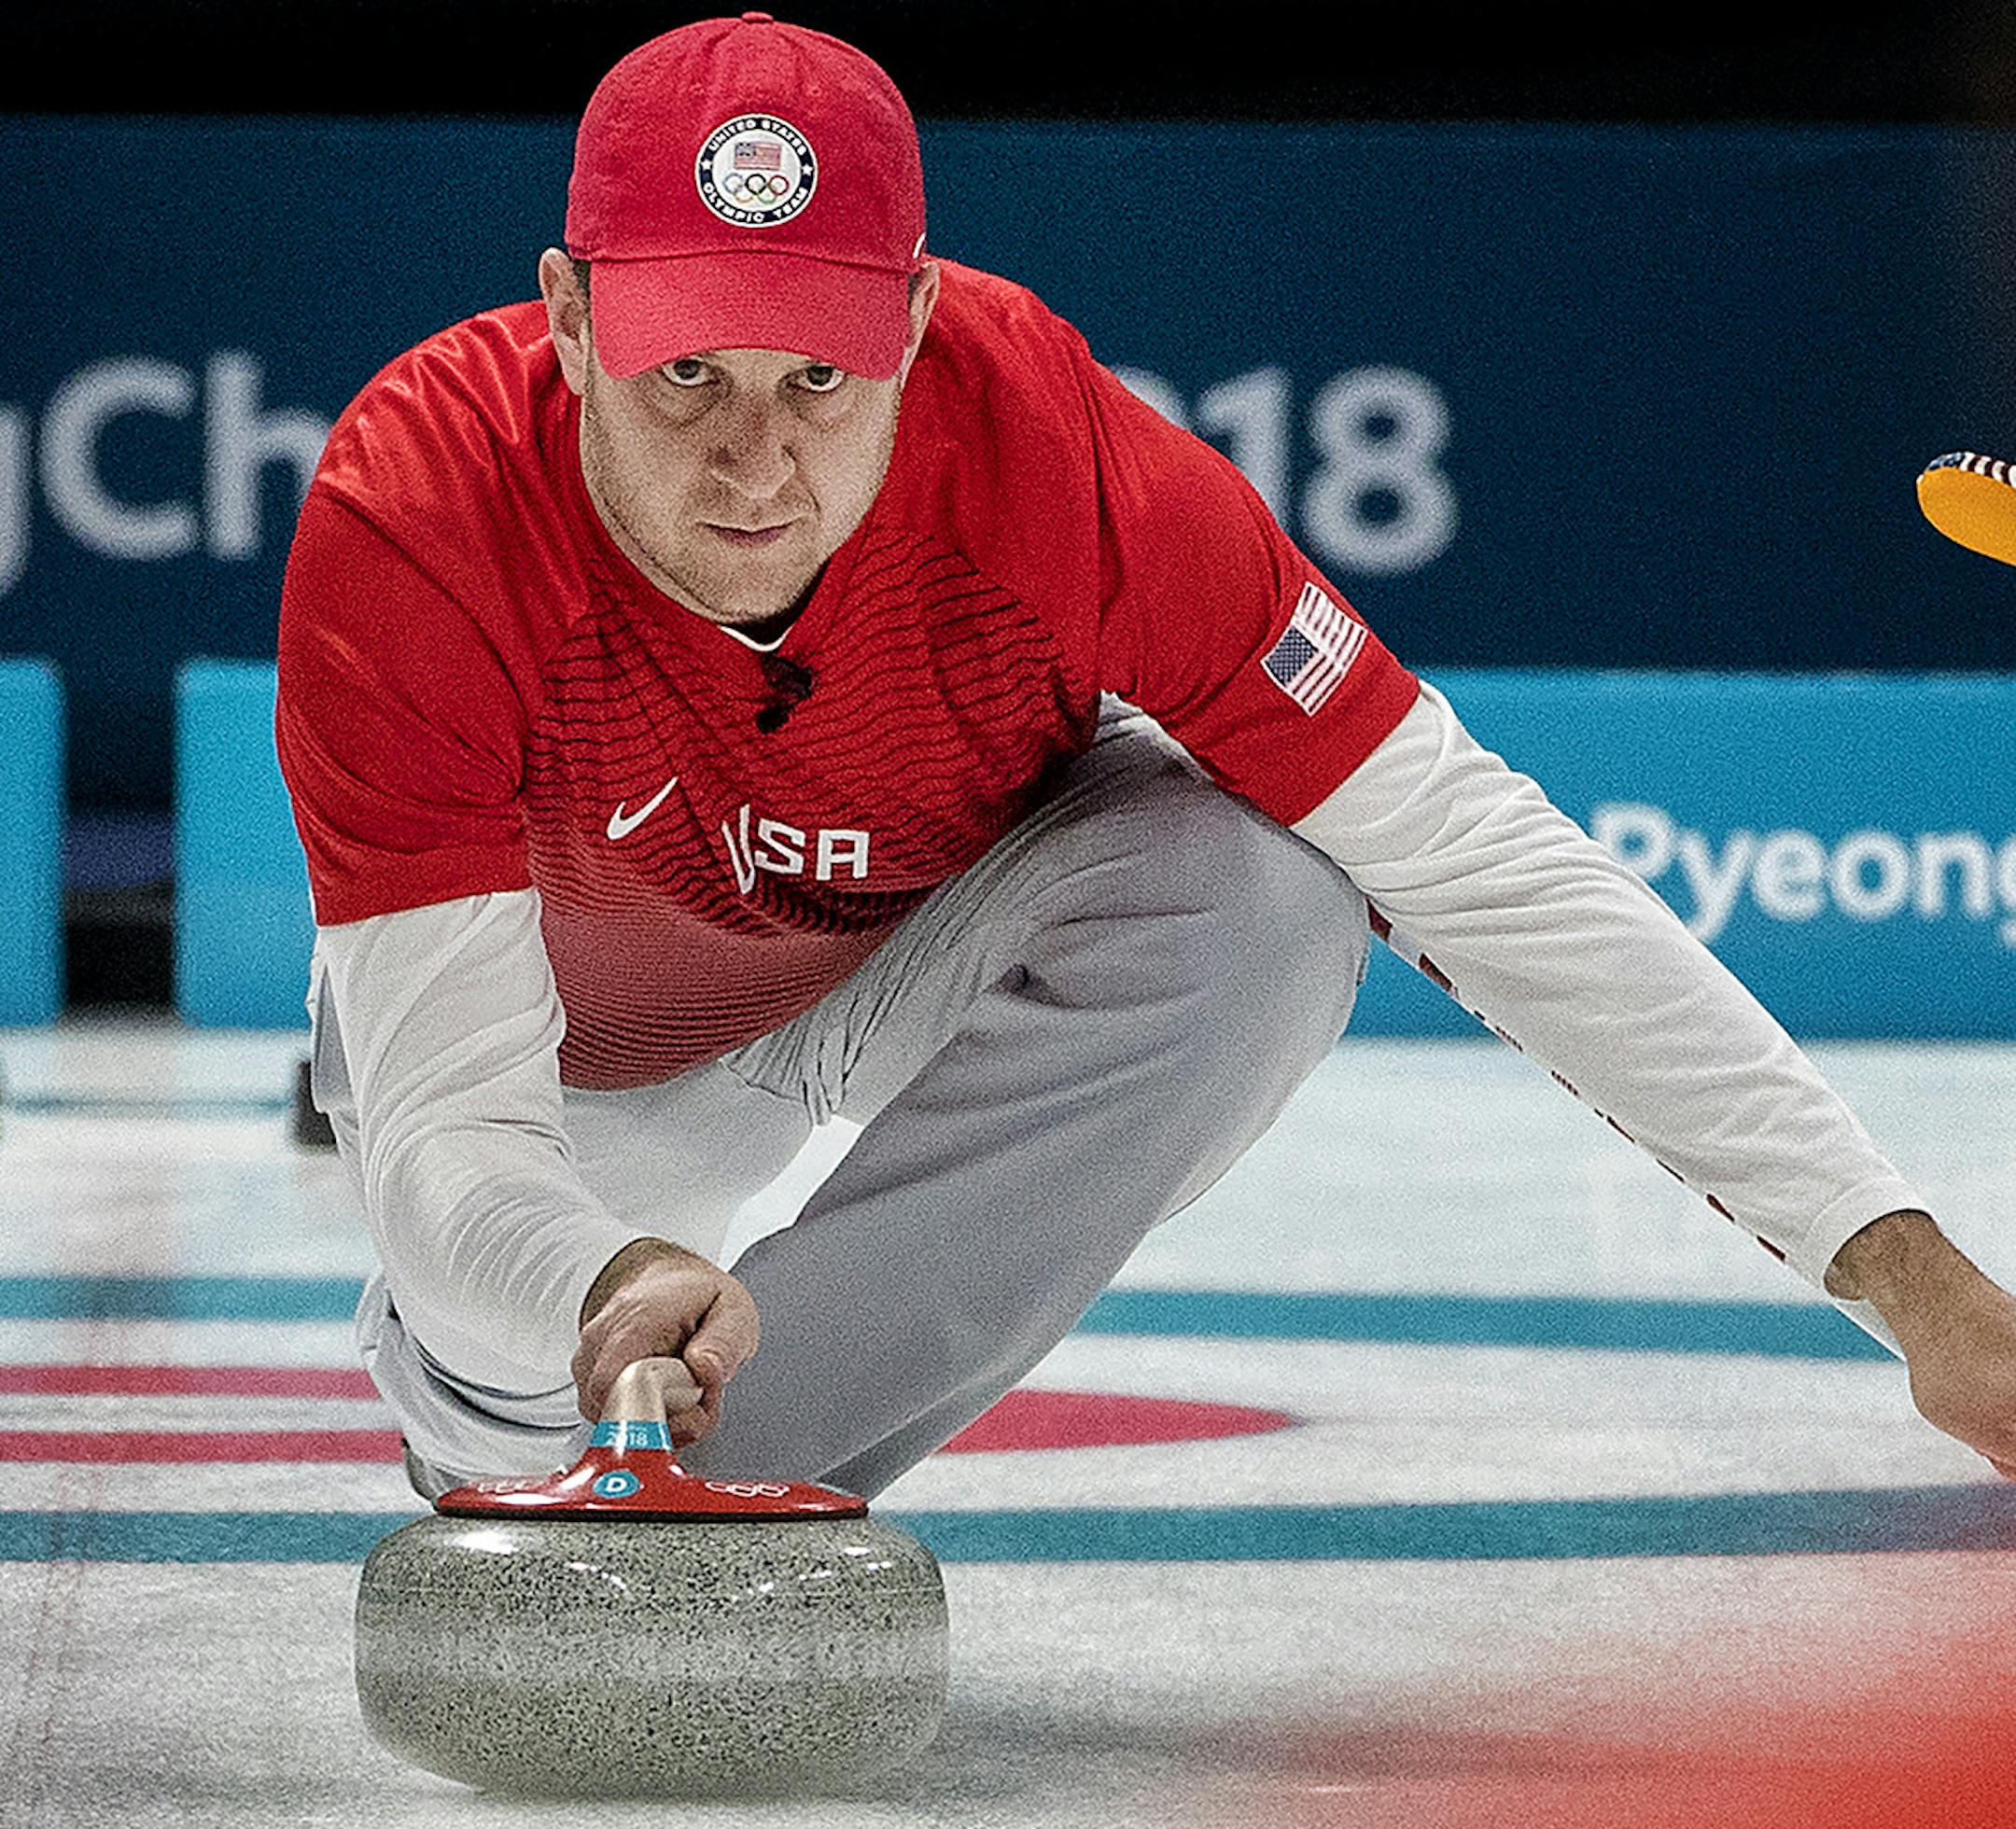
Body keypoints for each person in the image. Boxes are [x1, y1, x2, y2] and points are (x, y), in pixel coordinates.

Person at [276, 11, 2016, 1501]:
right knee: (509, 1404)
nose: (756, 465)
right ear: (570, 321)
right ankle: (558, 1436)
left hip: (898, 954)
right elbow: (446, 1127)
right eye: (685, 380)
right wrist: (597, 1267)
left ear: (916, 316)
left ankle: (738, 1481)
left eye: (820, 375)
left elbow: (1475, 861)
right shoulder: (413, 518)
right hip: (570, 1072)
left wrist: (1919, 1284)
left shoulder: (1060, 463)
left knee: (1261, 902)